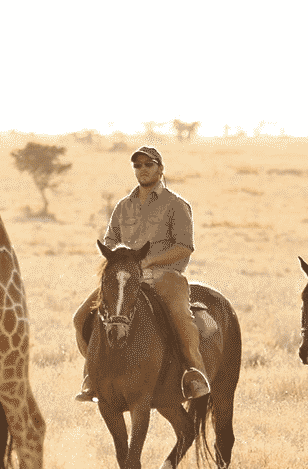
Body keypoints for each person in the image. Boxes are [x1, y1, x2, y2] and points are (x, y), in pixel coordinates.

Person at [73, 145, 210, 403]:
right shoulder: (123, 206)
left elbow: (184, 246)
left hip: (165, 276)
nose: (143, 169)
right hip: (126, 276)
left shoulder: (176, 205)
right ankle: (93, 376)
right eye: (138, 165)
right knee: (80, 317)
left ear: (160, 168)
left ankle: (195, 375)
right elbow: (111, 240)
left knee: (181, 318)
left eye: (149, 164)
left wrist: (147, 261)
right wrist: (120, 261)